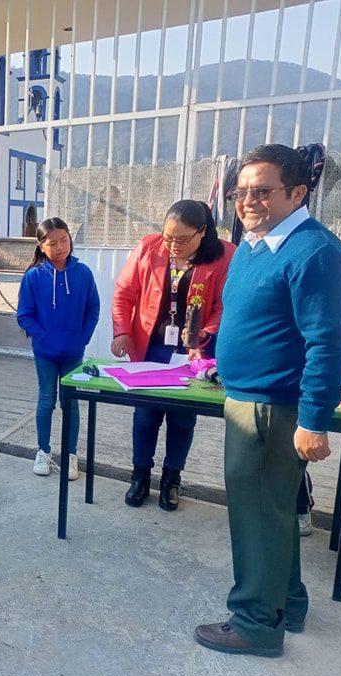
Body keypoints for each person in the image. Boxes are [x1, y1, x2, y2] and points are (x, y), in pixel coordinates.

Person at [195, 144, 341, 657]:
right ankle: (288, 601)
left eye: (262, 191)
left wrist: (313, 420)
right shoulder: (255, 245)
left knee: (256, 515)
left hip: (272, 411)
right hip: (247, 398)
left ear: (298, 192)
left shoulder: (314, 252)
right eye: (240, 192)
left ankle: (257, 624)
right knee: (275, 511)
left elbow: (329, 342)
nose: (247, 201)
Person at [111, 200, 236, 511]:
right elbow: (125, 292)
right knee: (145, 416)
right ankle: (139, 477)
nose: (173, 245)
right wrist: (121, 331)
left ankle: (171, 481)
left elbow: (225, 304)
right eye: (168, 237)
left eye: (182, 239)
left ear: (202, 232)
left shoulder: (224, 255)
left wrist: (205, 332)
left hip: (192, 353)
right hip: (151, 347)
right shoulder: (148, 247)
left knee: (182, 419)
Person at [17, 217, 100, 479]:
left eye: (64, 240)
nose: (60, 246)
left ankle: (71, 455)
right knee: (46, 401)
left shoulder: (83, 273)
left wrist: (82, 337)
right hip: (45, 353)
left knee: (71, 404)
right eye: (52, 243)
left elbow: (92, 309)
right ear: (41, 246)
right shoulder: (33, 277)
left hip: (74, 352)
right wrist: (41, 337)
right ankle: (43, 451)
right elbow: (24, 315)